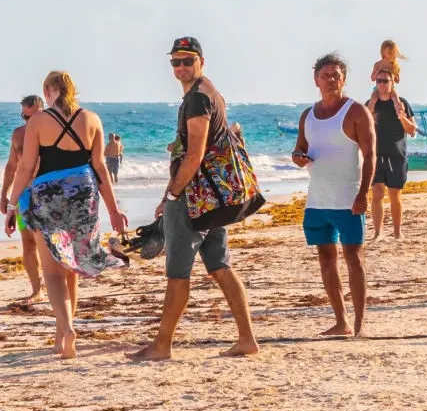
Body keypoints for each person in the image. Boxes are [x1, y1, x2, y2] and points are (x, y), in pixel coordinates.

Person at [128, 37, 260, 360]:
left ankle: (162, 345)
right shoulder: (207, 92)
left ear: (201, 61)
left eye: (188, 60)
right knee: (220, 266)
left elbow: (195, 155)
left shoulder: (199, 99)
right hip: (209, 200)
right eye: (176, 62)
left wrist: (173, 193)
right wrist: (169, 192)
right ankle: (246, 339)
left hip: (194, 199)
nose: (182, 67)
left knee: (178, 272)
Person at [4, 73, 128, 358]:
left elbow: (25, 168)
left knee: (52, 271)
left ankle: (67, 329)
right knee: (71, 265)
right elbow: (100, 168)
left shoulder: (37, 121)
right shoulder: (92, 119)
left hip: (48, 194)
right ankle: (62, 336)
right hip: (83, 193)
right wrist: (114, 210)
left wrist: (12, 207)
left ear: (49, 91)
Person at [294, 53, 376, 336]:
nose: (331, 80)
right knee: (325, 259)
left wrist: (363, 194)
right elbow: (300, 148)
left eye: (336, 75)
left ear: (344, 79)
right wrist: (298, 157)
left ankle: (360, 323)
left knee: (354, 258)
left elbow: (370, 154)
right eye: (325, 75)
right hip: (317, 200)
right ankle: (340, 321)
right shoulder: (308, 115)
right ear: (315, 80)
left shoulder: (355, 112)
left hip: (348, 198)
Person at [1, 95, 45, 304]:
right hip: (24, 196)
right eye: (24, 117)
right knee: (28, 242)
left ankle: (57, 285)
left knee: (51, 242)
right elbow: (12, 167)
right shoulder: (18, 134)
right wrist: (4, 196)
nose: (28, 122)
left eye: (33, 116)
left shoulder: (51, 135)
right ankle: (37, 290)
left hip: (48, 194)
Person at [366, 67, 416, 240]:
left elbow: (412, 131)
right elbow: (363, 129)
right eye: (378, 81)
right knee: (377, 193)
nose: (381, 84)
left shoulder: (402, 103)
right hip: (376, 155)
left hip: (397, 155)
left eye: (385, 81)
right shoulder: (370, 104)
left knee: (395, 194)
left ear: (392, 82)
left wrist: (402, 116)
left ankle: (397, 231)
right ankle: (378, 233)